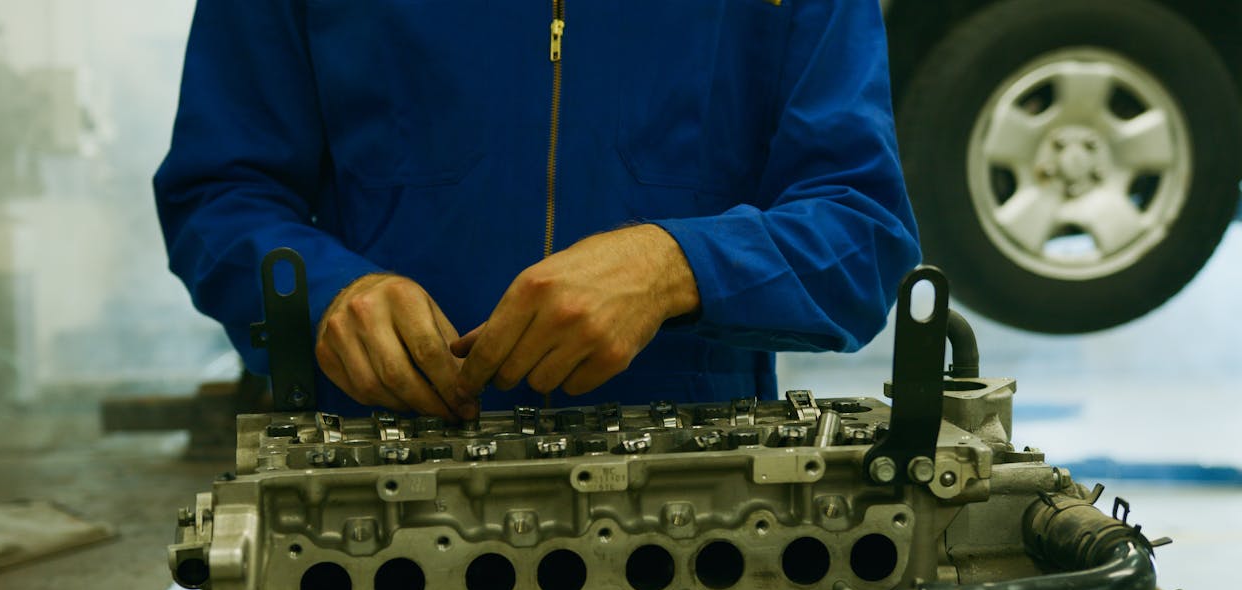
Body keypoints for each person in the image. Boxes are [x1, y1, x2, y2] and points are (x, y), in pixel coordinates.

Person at [154, 0, 920, 420]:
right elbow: (220, 195)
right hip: (379, 498)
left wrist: (675, 267)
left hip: (693, 502)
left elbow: (863, 232)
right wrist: (330, 295)